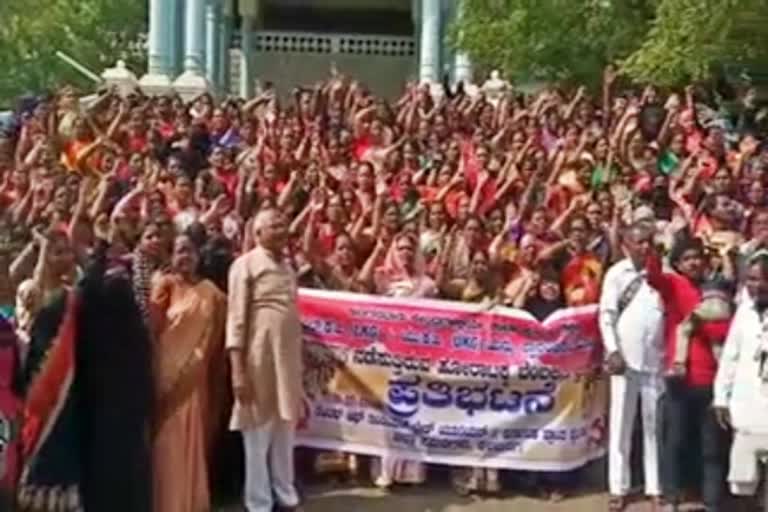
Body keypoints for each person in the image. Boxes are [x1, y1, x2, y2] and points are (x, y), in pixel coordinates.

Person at [226, 208, 304, 512]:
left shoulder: (287, 268)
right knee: (257, 432)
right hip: (257, 359)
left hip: (287, 361)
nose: (282, 229)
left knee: (285, 429)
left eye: (284, 224)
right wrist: (237, 371)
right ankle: (258, 503)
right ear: (257, 233)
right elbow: (236, 319)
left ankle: (286, 496)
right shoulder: (244, 265)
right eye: (275, 225)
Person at [646, 233, 730, 512]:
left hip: (711, 380)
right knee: (675, 443)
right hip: (680, 379)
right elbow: (654, 277)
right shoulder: (672, 284)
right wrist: (653, 253)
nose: (693, 262)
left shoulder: (717, 288)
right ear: (678, 263)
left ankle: (712, 503)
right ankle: (670, 500)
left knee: (711, 449)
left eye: (697, 257)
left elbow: (723, 329)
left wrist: (701, 321)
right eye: (687, 258)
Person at [149, 234, 226, 512]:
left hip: (197, 377)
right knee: (167, 445)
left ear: (198, 256)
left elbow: (218, 338)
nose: (185, 256)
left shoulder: (212, 292)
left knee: (193, 442)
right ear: (171, 256)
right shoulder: (164, 286)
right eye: (179, 251)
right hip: (166, 375)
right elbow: (153, 332)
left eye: (190, 251)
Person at [599, 222, 665, 512]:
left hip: (656, 361)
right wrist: (612, 350)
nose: (644, 246)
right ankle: (618, 488)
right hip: (624, 362)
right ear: (626, 245)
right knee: (621, 426)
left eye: (648, 241)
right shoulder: (617, 274)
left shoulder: (663, 272)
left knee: (654, 427)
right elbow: (606, 315)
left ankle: (656, 487)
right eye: (638, 242)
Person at [713, 251, 768, 510]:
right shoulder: (745, 312)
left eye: (760, 280)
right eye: (750, 279)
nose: (754, 285)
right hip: (746, 410)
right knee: (743, 482)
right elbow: (730, 357)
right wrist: (721, 399)